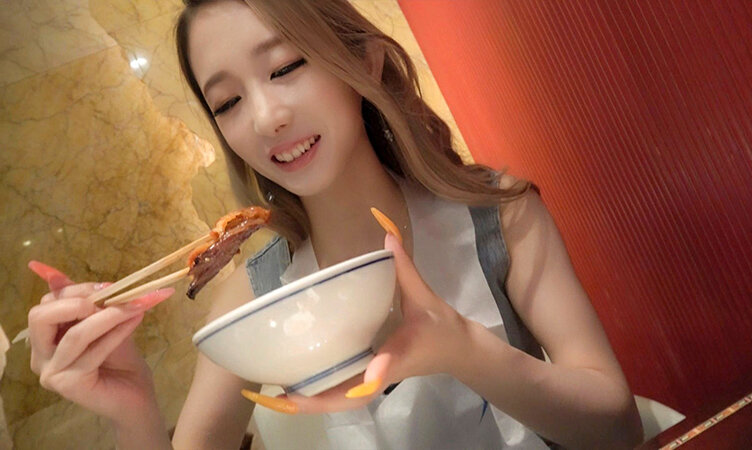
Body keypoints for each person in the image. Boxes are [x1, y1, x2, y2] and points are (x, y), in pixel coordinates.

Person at [26, 0, 644, 448]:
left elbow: (618, 429)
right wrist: (131, 404)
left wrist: (462, 347)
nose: (265, 118)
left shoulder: (499, 215)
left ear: (365, 62)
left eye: (284, 67)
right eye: (228, 102)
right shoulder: (252, 298)